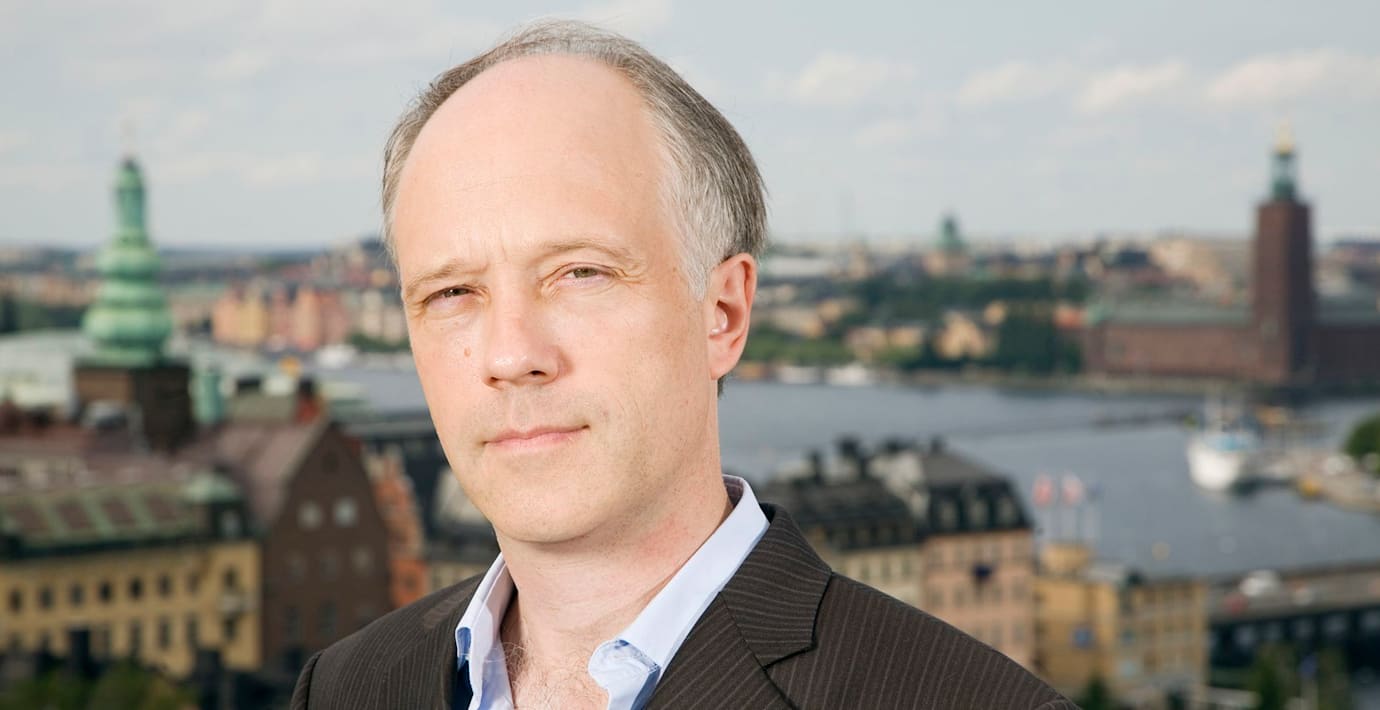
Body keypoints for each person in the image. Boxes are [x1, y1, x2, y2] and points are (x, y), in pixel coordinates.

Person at [291, 20, 1075, 710]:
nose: (511, 355)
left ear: (722, 313)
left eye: (581, 273)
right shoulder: (346, 689)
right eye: (452, 292)